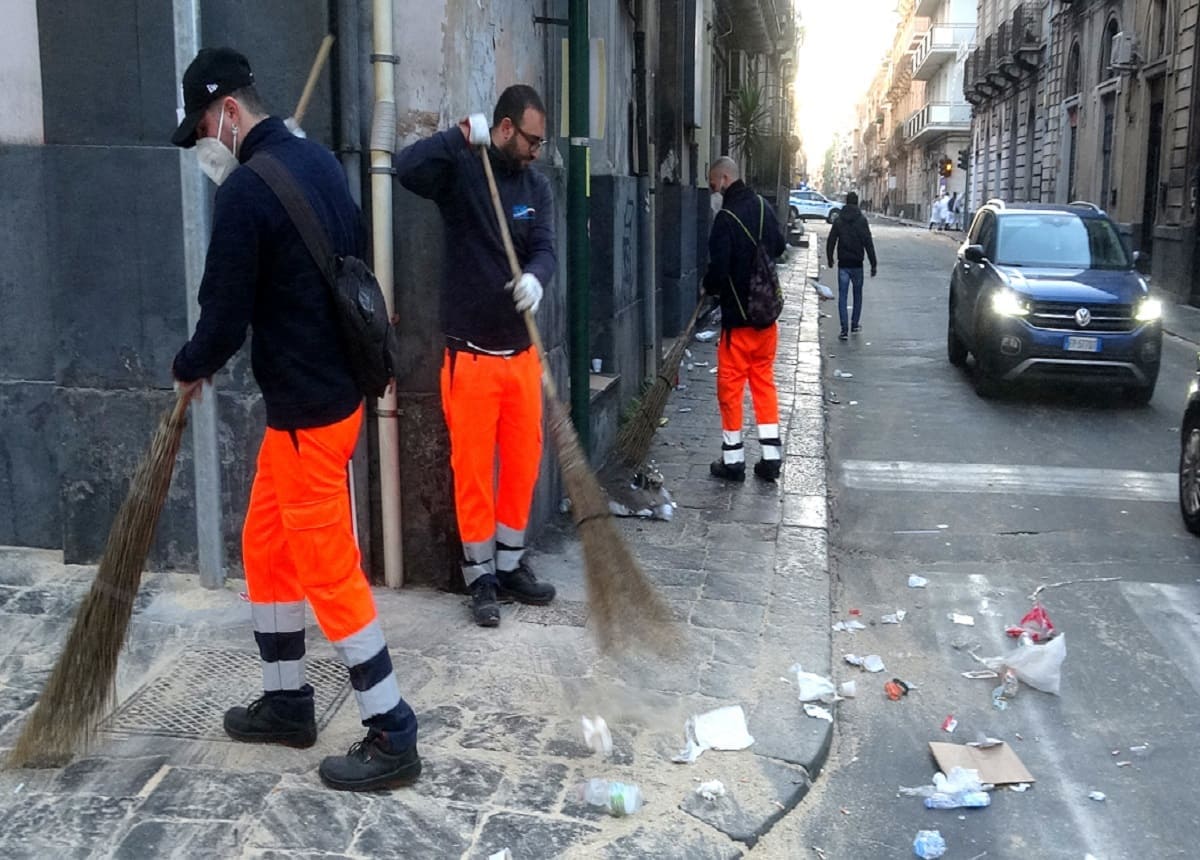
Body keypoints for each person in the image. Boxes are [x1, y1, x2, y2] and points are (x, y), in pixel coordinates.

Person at [170, 48, 419, 792]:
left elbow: (223, 315)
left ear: (229, 113)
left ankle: (393, 730)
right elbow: (352, 257)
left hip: (310, 411)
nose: (204, 146)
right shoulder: (315, 162)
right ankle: (287, 701)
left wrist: (190, 366)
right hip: (320, 403)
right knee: (266, 543)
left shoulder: (247, 192)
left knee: (328, 569)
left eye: (202, 130)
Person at [394, 86, 558, 628]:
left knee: (523, 463)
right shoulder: (464, 173)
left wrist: (536, 277)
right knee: (472, 472)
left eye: (541, 142)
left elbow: (546, 247)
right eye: (531, 140)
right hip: (470, 357)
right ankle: (480, 576)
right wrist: (458, 135)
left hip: (521, 356)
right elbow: (406, 169)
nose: (536, 150)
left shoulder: (536, 186)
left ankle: (510, 564)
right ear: (505, 128)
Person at [703, 156, 787, 483]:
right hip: (766, 319)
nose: (714, 191)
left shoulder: (725, 218)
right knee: (763, 384)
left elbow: (718, 270)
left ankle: (733, 461)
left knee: (731, 390)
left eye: (713, 184)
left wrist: (709, 287)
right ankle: (771, 458)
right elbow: (779, 246)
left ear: (725, 179)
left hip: (738, 323)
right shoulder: (764, 207)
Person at [825, 191, 877, 340]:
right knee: (857, 295)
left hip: (843, 264)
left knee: (842, 296)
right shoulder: (862, 220)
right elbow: (868, 242)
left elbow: (831, 240)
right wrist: (873, 263)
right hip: (857, 264)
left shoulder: (839, 220)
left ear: (846, 202)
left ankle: (844, 329)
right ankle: (854, 324)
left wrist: (830, 258)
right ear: (857, 202)